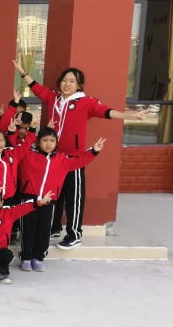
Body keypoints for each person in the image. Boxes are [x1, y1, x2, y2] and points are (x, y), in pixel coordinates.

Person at [14, 56, 145, 249]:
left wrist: (130, 115)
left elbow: (106, 112)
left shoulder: (86, 102)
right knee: (54, 193)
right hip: (52, 156)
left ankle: (74, 234)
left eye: (72, 81)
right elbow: (37, 88)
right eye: (64, 80)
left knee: (74, 197)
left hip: (73, 158)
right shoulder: (54, 98)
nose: (67, 84)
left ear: (79, 85)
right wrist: (22, 71)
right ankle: (54, 228)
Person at [17, 128, 105, 270]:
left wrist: (94, 151)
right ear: (38, 142)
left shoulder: (61, 159)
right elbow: (16, 152)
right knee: (28, 230)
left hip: (48, 201)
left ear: (56, 143)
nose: (48, 144)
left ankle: (38, 257)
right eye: (45, 140)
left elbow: (79, 162)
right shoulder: (28, 155)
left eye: (52, 141)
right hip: (28, 200)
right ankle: (26, 257)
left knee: (44, 231)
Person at [0, 190, 53, 283]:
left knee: (7, 255)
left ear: (2, 202)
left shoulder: (8, 212)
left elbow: (23, 207)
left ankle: (0, 271)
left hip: (0, 250)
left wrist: (40, 202)